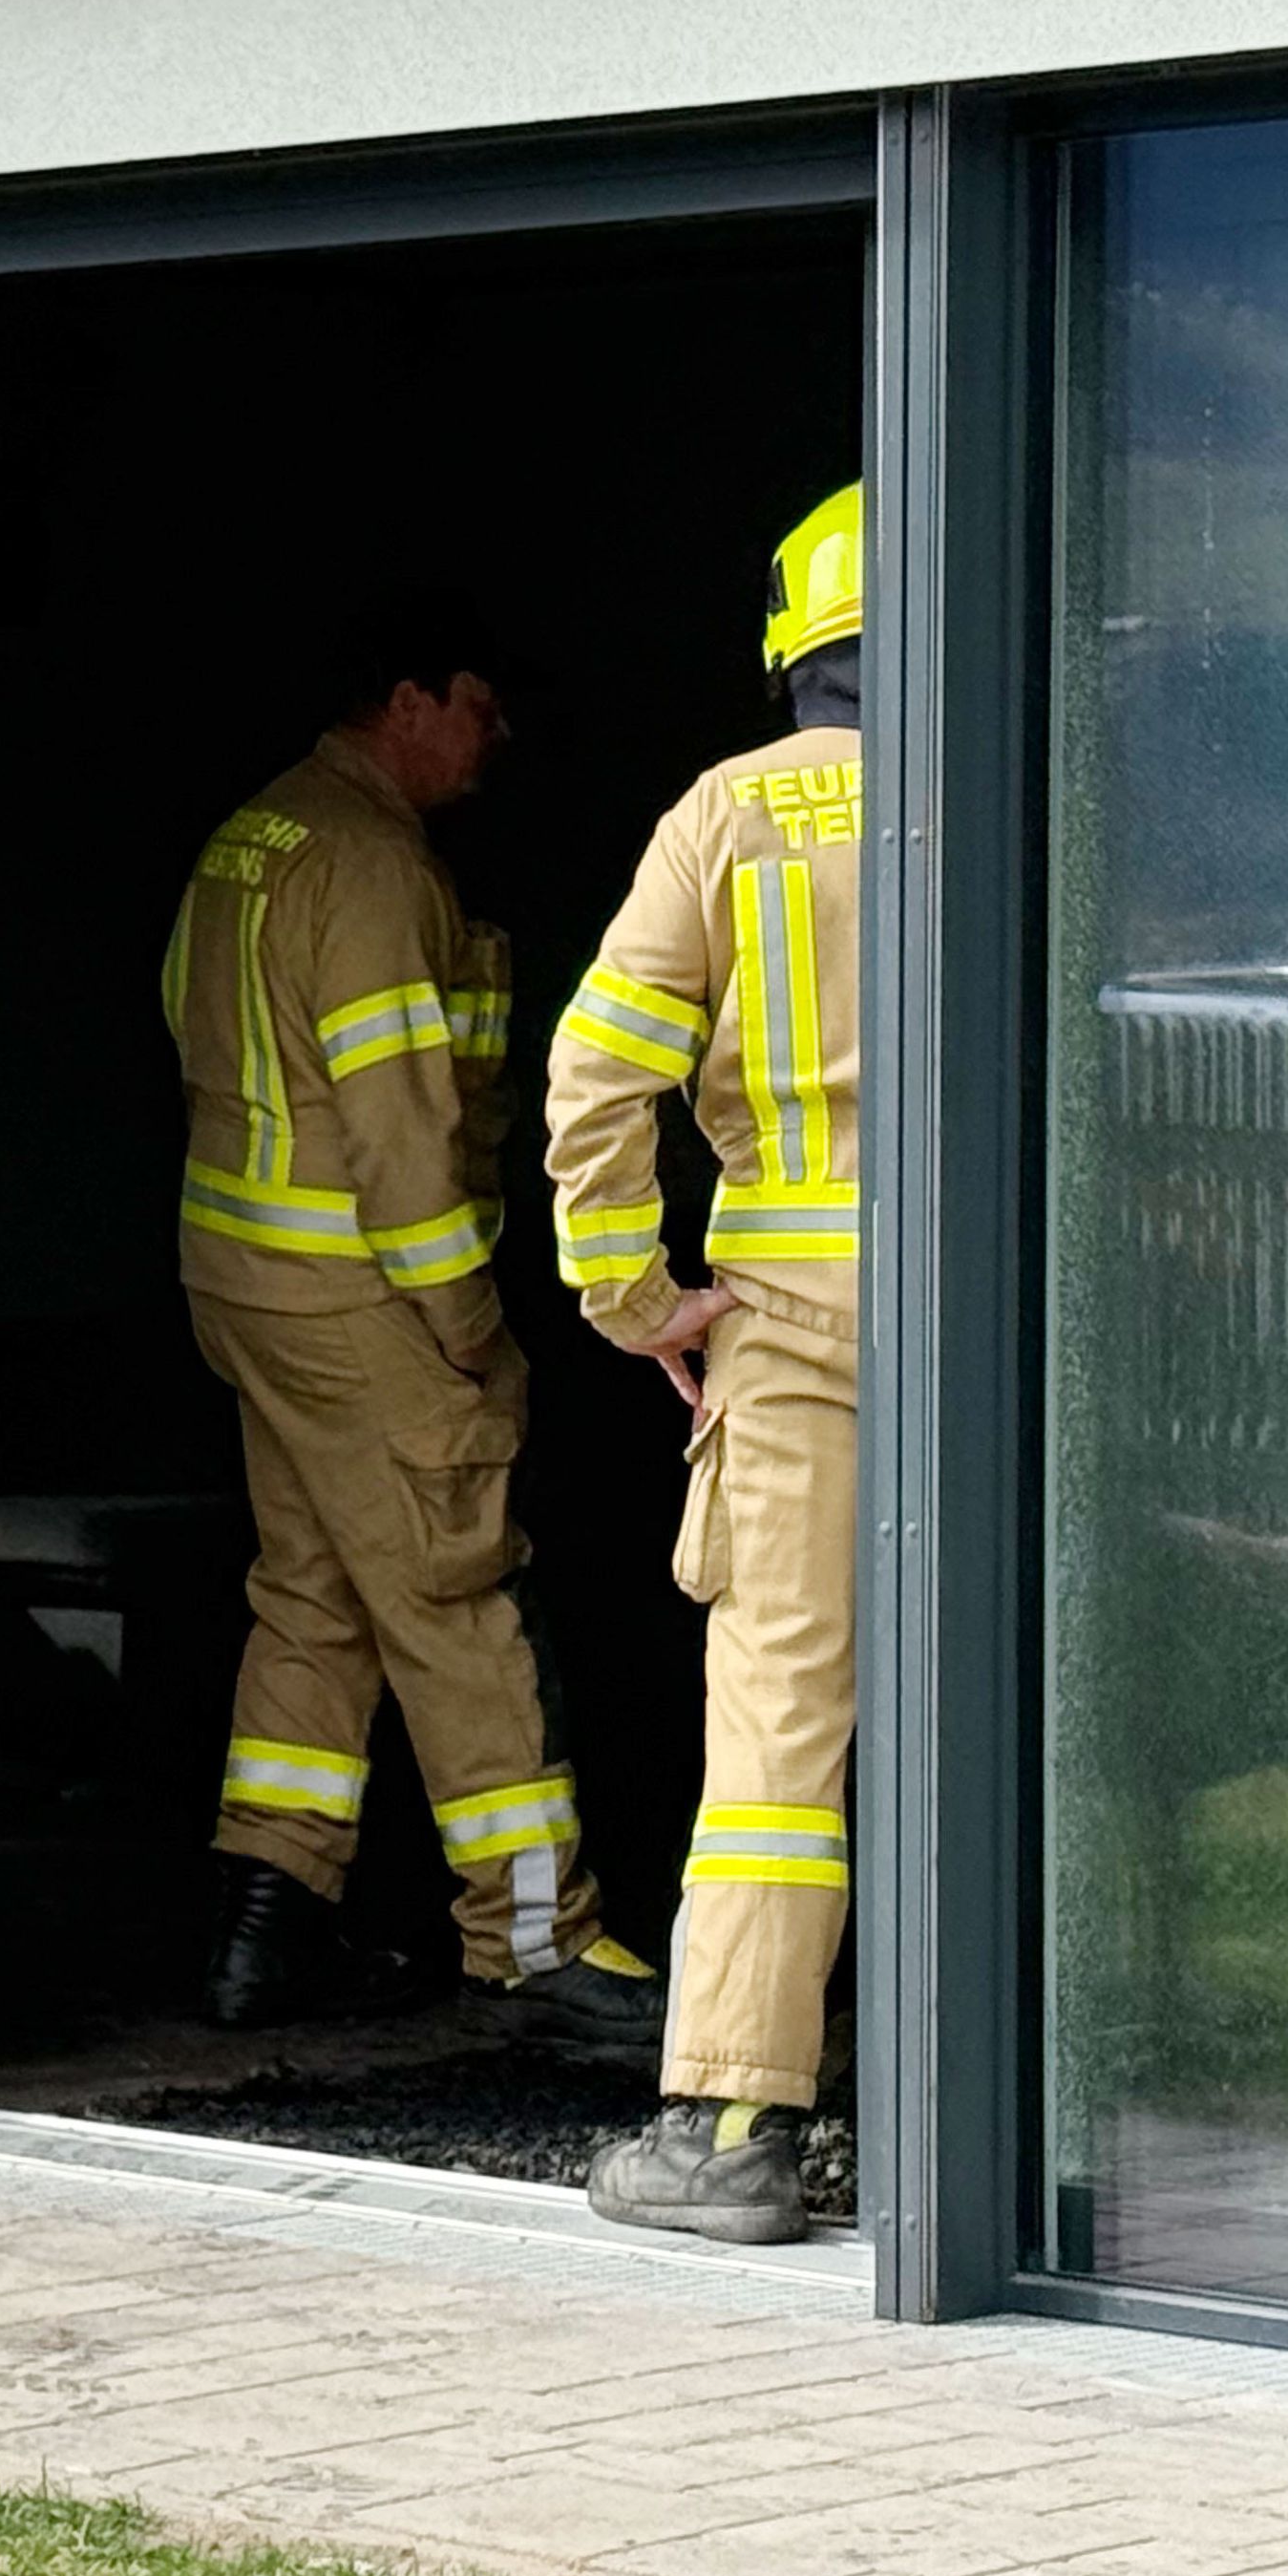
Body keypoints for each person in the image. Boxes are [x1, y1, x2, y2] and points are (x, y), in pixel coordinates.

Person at [164, 616, 665, 2048]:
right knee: (457, 1595)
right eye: (477, 703)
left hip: (247, 1287)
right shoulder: (377, 869)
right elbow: (402, 1135)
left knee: (314, 1596)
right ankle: (537, 1947)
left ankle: (264, 1929)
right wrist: (464, 1321)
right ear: (406, 700)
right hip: (363, 1300)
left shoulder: (253, 835)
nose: (495, 734)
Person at [550, 483, 866, 2244]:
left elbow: (597, 1079)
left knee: (779, 1728)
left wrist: (632, 1298)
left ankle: (738, 2125)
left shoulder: (726, 815)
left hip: (794, 1340)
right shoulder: (1013, 785)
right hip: (1008, 1337)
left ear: (792, 646)